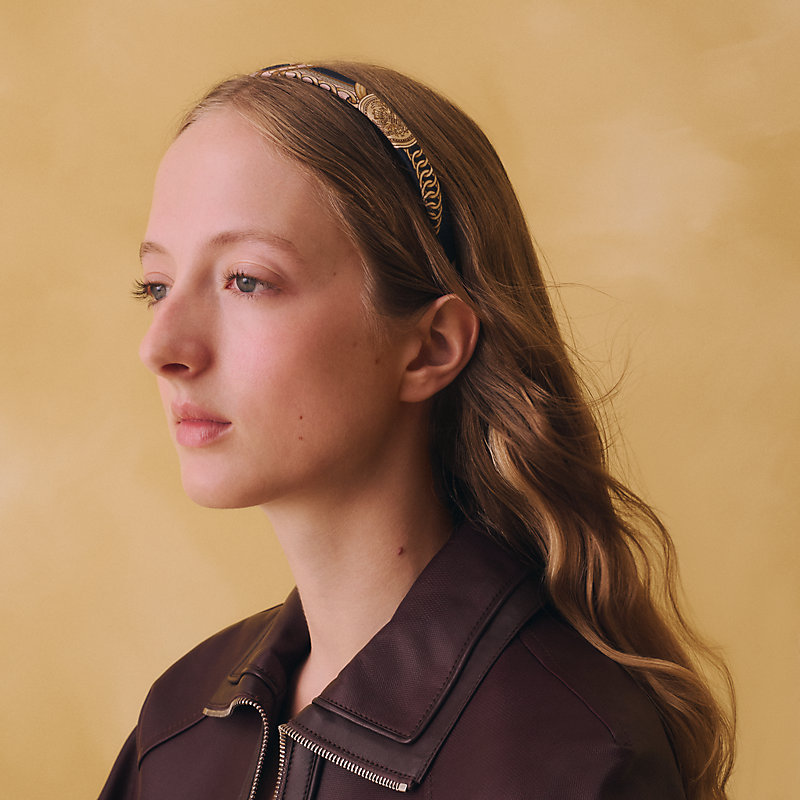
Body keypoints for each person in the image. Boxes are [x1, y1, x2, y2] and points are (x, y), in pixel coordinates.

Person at [99, 63, 734, 799]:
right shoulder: (176, 727)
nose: (162, 347)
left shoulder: (574, 761)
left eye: (247, 280)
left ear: (431, 347)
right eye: (156, 286)